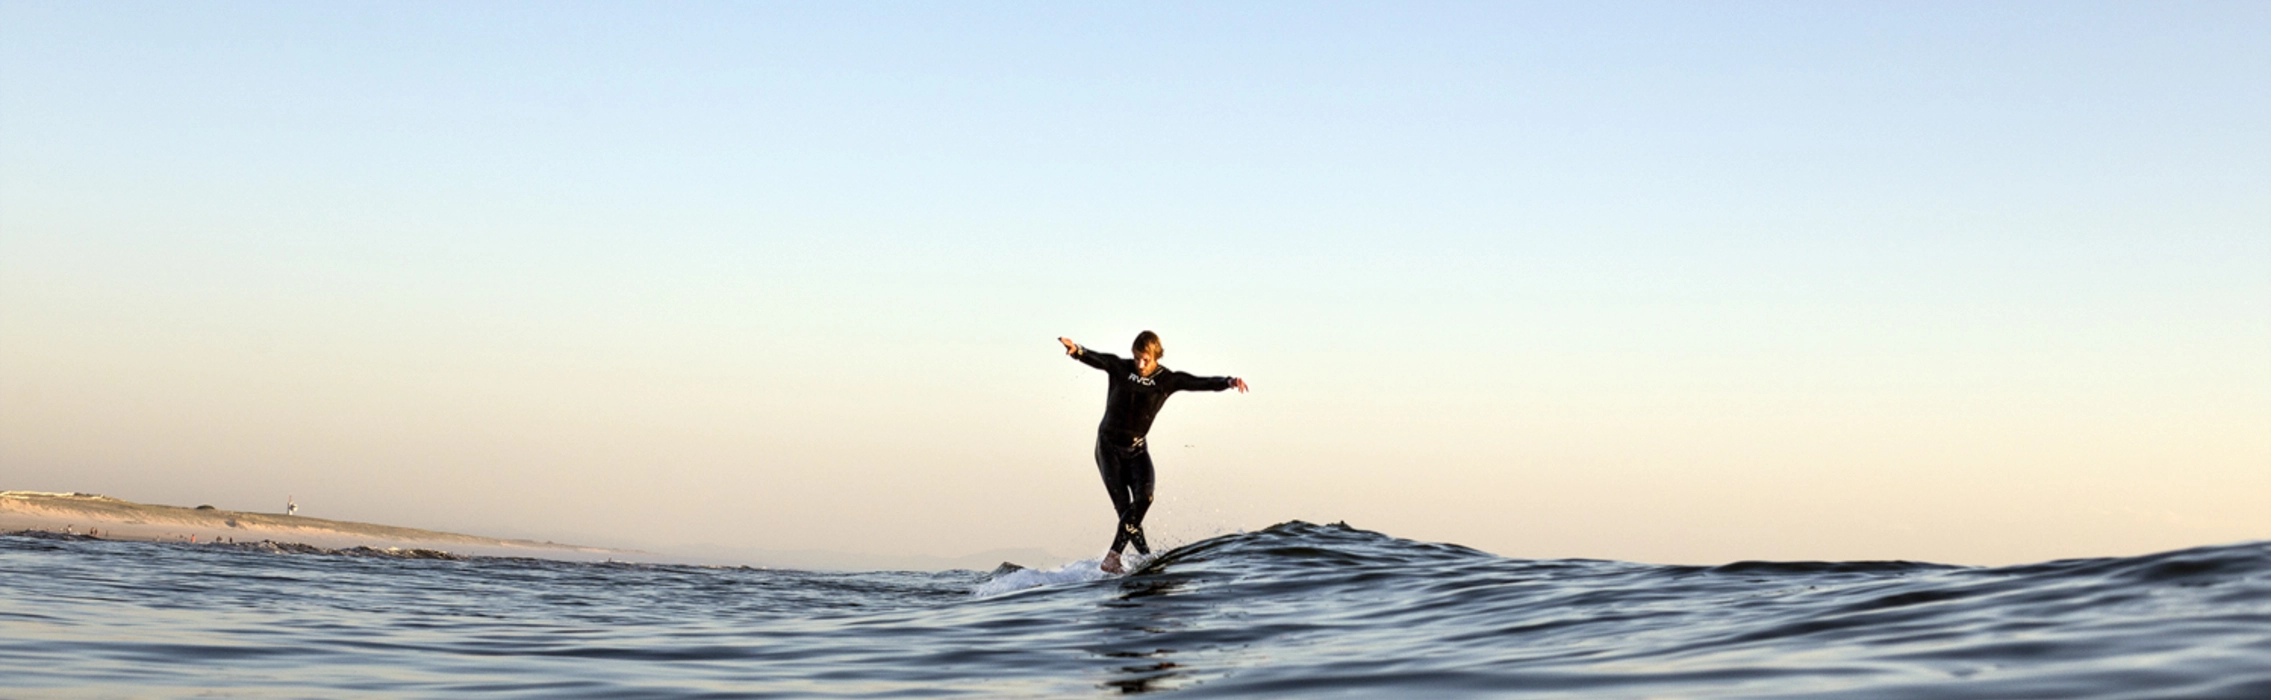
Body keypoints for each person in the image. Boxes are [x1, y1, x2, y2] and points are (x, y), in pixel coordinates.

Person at [1059, 331, 1249, 573]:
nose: (1140, 364)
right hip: (1108, 448)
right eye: (1137, 358)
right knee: (1124, 508)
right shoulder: (1121, 368)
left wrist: (1228, 381)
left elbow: (1198, 382)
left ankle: (1135, 560)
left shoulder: (1166, 380)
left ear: (1156, 357)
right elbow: (1100, 359)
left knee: (1144, 500)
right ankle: (1126, 558)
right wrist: (1076, 351)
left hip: (1137, 449)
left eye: (1145, 359)